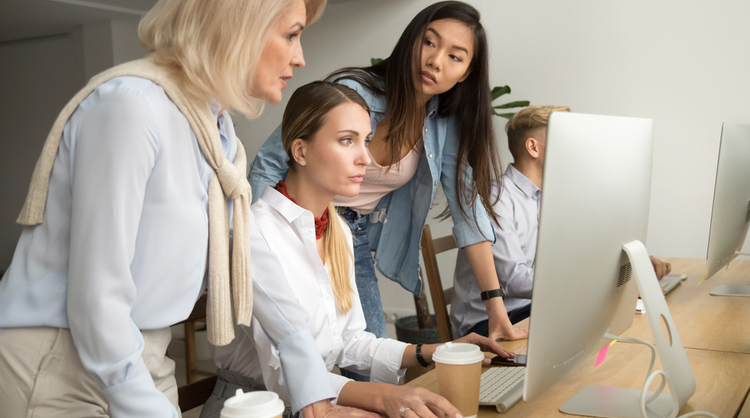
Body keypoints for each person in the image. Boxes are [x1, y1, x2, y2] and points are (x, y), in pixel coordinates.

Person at [0, 1, 362, 417]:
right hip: (60, 361)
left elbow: (250, 263)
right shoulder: (131, 105)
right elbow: (96, 295)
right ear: (239, 27)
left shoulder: (217, 133)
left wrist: (312, 388)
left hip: (144, 354)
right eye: (292, 34)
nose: (300, 56)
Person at [207, 80, 515, 418]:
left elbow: (350, 341)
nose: (365, 158)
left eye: (365, 141)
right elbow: (284, 372)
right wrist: (381, 396)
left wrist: (433, 351)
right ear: (300, 151)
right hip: (256, 408)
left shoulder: (336, 228)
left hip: (323, 402)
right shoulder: (257, 233)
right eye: (346, 141)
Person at [248, 1, 527, 362]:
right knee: (283, 357)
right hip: (297, 225)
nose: (435, 60)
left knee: (366, 360)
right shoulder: (355, 92)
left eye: (455, 57)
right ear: (411, 41)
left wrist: (496, 308)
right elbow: (271, 160)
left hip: (351, 239)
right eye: (429, 42)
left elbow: (467, 208)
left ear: (466, 74)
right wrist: (253, 241)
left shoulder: (444, 123)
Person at [450, 106, 673, 337]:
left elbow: (576, 259)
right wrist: (597, 283)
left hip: (533, 308)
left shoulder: (553, 196)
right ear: (533, 147)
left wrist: (630, 267)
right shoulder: (496, 198)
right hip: (489, 322)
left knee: (620, 326)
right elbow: (514, 281)